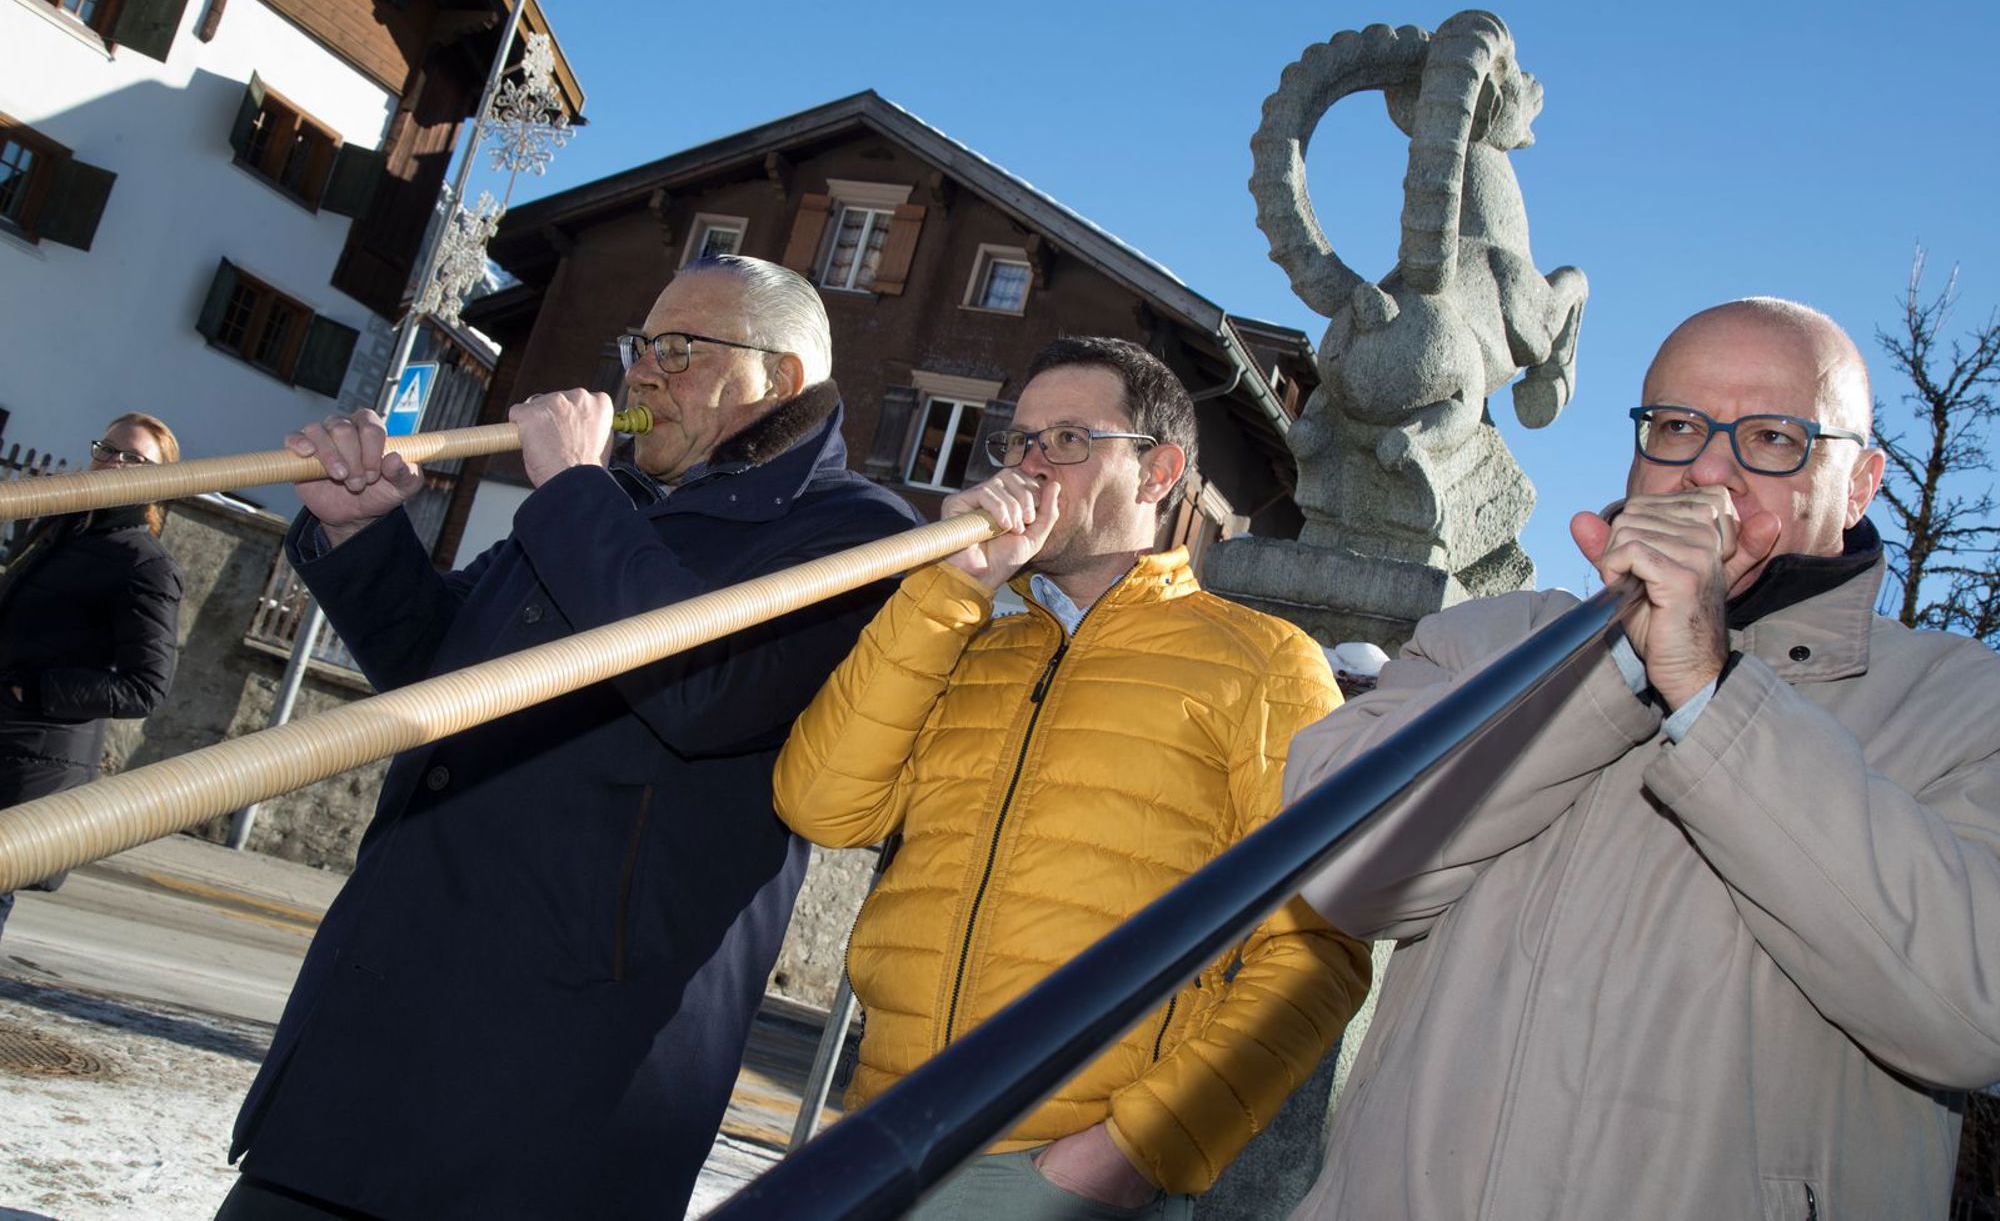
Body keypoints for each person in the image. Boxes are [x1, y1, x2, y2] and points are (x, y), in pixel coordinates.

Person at [219, 256, 919, 1220]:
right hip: (383, 1015)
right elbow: (439, 672)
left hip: (560, 1066)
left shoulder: (858, 535)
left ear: (780, 378)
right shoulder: (607, 499)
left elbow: (702, 692)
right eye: (641, 346)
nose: (641, 373)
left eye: (679, 350)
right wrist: (362, 533)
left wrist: (576, 494)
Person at [1285, 298, 2000, 1219]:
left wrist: (1709, 688)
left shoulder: (1962, 702)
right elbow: (1338, 869)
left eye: (1773, 438)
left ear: (1860, 484)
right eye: (1676, 427)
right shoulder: (1491, 638)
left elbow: (1972, 1011)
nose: (1709, 470)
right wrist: (1613, 665)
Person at [775, 336, 1372, 1219]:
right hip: (879, 1133)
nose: (1030, 466)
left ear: (1159, 472)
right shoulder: (965, 636)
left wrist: (1136, 1149)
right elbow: (822, 803)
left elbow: (1317, 945)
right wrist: (947, 590)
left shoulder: (1264, 664)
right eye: (1019, 441)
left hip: (1059, 1172)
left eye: (1068, 441)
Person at [0, 412, 183, 943]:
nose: (113, 462)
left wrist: (32, 690)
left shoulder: (145, 564)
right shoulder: (60, 529)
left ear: (160, 480)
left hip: (33, 756)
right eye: (107, 449)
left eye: (134, 458)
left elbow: (145, 687)